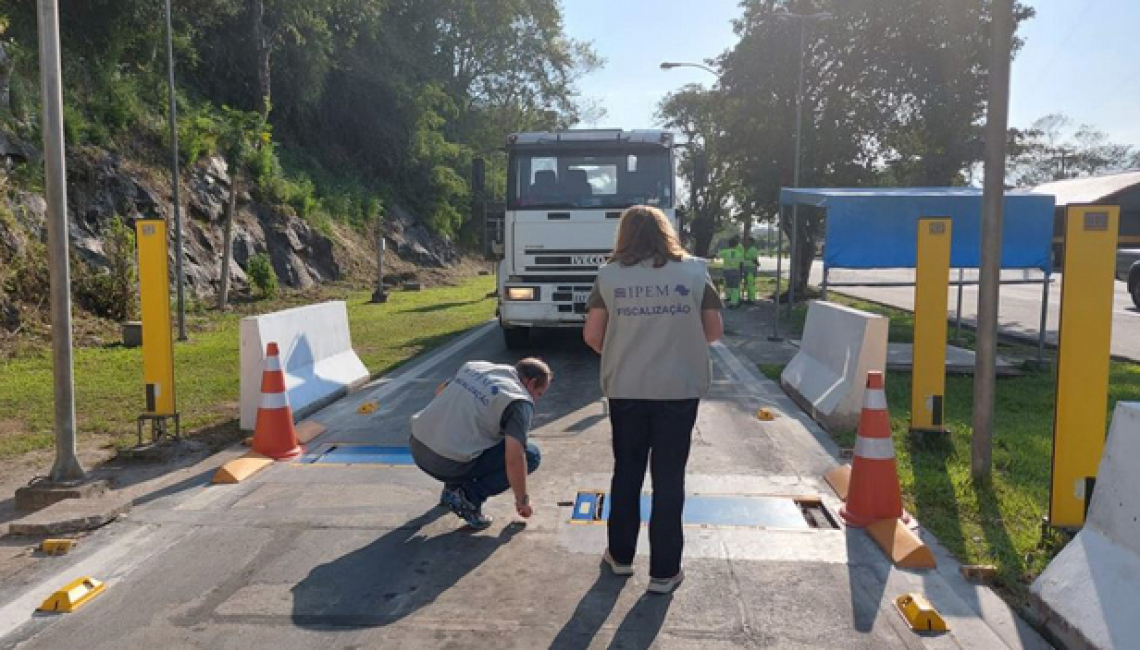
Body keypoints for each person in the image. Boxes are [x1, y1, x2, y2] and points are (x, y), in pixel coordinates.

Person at [582, 205, 724, 595]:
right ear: (667, 232)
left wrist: (624, 348)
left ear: (624, 235)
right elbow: (713, 332)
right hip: (678, 391)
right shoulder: (696, 271)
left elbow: (593, 336)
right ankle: (664, 572)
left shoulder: (609, 276)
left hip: (626, 389)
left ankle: (621, 557)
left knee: (626, 473)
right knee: (669, 478)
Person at [409, 358, 552, 529]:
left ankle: (451, 490)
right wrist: (522, 500)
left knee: (475, 427)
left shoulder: (474, 368)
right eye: (539, 394)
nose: (536, 400)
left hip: (417, 446)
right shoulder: (519, 402)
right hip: (447, 464)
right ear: (531, 382)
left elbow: (440, 392)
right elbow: (514, 459)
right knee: (531, 455)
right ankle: (468, 498)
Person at [718, 235, 742, 308]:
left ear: (729, 244)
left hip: (727, 270)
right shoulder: (739, 253)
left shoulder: (725, 252)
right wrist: (741, 272)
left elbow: (716, 256)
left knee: (728, 286)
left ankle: (729, 298)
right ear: (736, 245)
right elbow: (741, 263)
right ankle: (734, 302)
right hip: (735, 270)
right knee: (735, 287)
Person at [740, 234, 760, 303]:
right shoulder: (748, 249)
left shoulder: (753, 249)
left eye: (748, 241)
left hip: (750, 269)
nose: (746, 243)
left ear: (751, 242)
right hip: (747, 268)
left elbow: (754, 259)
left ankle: (751, 299)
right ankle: (749, 298)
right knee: (748, 284)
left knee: (750, 284)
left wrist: (757, 264)